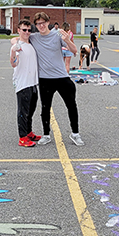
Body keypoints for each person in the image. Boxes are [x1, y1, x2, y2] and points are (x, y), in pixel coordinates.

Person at [29, 12, 84, 146]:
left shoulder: (58, 34)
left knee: (71, 105)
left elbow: (74, 50)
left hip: (61, 77)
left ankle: (75, 134)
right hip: (45, 79)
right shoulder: (34, 37)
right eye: (38, 24)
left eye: (43, 23)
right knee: (45, 108)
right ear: (36, 25)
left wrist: (67, 40)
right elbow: (16, 39)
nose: (41, 26)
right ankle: (46, 135)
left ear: (48, 22)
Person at [10, 19, 42, 147]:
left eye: (29, 30)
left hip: (33, 83)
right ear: (19, 30)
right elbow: (13, 63)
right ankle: (22, 137)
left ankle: (28, 132)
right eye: (24, 30)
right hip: (23, 84)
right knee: (23, 111)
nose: (27, 32)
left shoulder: (30, 44)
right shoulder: (17, 46)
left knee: (31, 110)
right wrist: (13, 52)